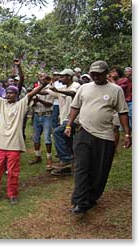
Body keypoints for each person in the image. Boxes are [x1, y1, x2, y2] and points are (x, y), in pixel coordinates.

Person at [64, 60, 131, 215]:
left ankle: (92, 197)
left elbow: (122, 112)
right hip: (83, 132)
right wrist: (69, 124)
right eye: (93, 73)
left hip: (105, 136)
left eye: (98, 74)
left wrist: (127, 134)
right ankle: (79, 201)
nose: (95, 76)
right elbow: (75, 107)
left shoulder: (116, 90)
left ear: (106, 73)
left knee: (100, 170)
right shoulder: (84, 88)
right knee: (81, 167)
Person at [0, 70, 49, 205]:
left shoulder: (21, 105)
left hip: (14, 144)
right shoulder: (1, 103)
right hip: (0, 143)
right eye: (7, 93)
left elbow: (31, 94)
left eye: (11, 93)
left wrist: (42, 85)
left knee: (13, 172)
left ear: (17, 95)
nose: (8, 95)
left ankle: (12, 194)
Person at [47, 69, 81, 174]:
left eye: (62, 77)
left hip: (74, 119)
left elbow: (72, 93)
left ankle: (65, 159)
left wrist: (58, 91)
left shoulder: (76, 85)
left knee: (57, 132)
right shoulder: (61, 87)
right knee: (68, 141)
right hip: (64, 119)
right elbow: (48, 91)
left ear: (69, 77)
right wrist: (47, 82)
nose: (60, 78)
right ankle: (70, 165)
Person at [28, 72, 54, 168]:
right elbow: (31, 105)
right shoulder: (35, 89)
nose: (42, 78)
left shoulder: (50, 89)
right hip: (36, 115)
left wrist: (39, 100)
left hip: (47, 115)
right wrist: (34, 102)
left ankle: (49, 158)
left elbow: (50, 104)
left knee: (47, 137)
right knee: (35, 137)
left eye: (43, 76)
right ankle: (37, 156)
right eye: (40, 76)